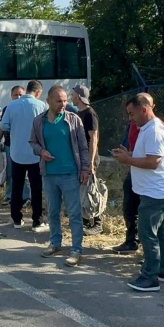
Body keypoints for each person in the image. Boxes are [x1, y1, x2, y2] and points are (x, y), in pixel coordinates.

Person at [113, 94, 164, 292]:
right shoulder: (147, 128)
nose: (130, 118)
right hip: (158, 190)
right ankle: (163, 271)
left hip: (155, 192)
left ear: (144, 109)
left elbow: (154, 161)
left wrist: (127, 161)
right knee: (162, 232)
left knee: (147, 234)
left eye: (132, 114)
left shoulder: (154, 130)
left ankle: (150, 277)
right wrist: (129, 154)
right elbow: (148, 156)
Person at [30, 85, 91, 267]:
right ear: (48, 100)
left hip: (70, 174)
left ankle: (76, 249)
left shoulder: (73, 120)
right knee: (53, 212)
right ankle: (56, 244)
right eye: (59, 101)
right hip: (49, 174)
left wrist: (85, 169)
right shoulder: (39, 121)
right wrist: (41, 152)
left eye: (65, 100)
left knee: (74, 213)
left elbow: (83, 146)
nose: (63, 104)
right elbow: (32, 142)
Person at [0, 80, 48, 232]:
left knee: (17, 187)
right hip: (35, 154)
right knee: (36, 188)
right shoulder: (42, 106)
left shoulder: (12, 105)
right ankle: (37, 220)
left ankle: (16, 219)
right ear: (38, 92)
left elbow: (4, 125)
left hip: (16, 153)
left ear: (26, 90)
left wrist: (16, 128)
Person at [72, 85, 103, 235]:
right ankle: (85, 222)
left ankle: (97, 223)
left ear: (78, 96)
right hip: (81, 158)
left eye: (73, 94)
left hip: (89, 159)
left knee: (92, 190)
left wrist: (90, 162)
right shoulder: (80, 113)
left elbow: (94, 137)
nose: (71, 97)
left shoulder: (90, 113)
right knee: (83, 191)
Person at [1, 85, 29, 206]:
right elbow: (3, 126)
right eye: (15, 95)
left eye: (20, 94)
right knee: (10, 172)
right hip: (10, 145)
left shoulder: (28, 107)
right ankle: (9, 195)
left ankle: (26, 197)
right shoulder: (7, 108)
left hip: (25, 145)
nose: (18, 97)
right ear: (11, 96)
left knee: (26, 173)